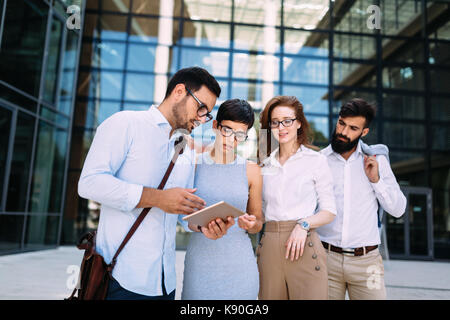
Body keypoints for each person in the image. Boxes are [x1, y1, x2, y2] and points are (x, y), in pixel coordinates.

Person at [77, 67, 235, 300]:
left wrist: (204, 226)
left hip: (165, 284)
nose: (202, 119)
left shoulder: (185, 149)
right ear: (180, 91)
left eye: (207, 115)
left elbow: (183, 210)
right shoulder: (126, 124)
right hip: (119, 278)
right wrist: (159, 198)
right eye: (201, 109)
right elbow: (89, 183)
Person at [317, 98, 407, 300]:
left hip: (367, 264)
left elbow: (399, 209)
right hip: (325, 259)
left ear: (364, 132)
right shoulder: (320, 161)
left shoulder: (378, 161)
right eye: (341, 123)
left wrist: (376, 180)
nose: (343, 132)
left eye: (352, 128)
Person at [181, 99, 263, 300]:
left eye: (240, 134)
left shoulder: (252, 171)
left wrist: (251, 224)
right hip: (200, 266)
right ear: (216, 126)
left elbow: (258, 222)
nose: (231, 139)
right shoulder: (193, 164)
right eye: (227, 130)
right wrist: (201, 227)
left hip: (240, 268)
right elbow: (183, 217)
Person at [257, 96, 337, 300]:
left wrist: (303, 225)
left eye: (287, 120)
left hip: (304, 244)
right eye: (275, 122)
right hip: (269, 248)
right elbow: (261, 213)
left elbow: (329, 211)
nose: (281, 127)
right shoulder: (264, 165)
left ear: (299, 123)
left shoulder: (316, 161)